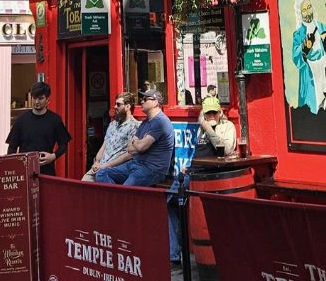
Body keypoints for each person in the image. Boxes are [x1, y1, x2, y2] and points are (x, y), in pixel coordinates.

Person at [168, 96, 237, 266]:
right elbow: (199, 154)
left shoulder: (226, 127)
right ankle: (174, 254)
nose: (211, 115)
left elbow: (227, 150)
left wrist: (208, 128)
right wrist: (187, 167)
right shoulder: (200, 128)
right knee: (169, 201)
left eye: (214, 112)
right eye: (208, 113)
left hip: (210, 177)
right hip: (193, 173)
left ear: (220, 112)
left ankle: (178, 253)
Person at [95, 89, 174, 186]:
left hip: (151, 169)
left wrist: (136, 143)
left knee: (126, 189)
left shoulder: (161, 122)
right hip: (135, 164)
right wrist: (137, 143)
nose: (141, 101)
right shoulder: (145, 122)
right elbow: (130, 149)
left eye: (145, 99)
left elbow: (141, 147)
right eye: (141, 99)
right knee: (102, 173)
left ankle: (118, 199)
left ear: (155, 103)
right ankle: (116, 199)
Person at [6, 81, 72, 176]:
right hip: (24, 172)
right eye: (34, 98)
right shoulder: (21, 120)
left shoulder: (55, 120)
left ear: (48, 99)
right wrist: (13, 169)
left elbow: (64, 145)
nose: (36, 102)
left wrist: (53, 156)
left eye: (40, 98)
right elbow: (12, 147)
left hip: (47, 172)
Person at [291, 0, 326, 114]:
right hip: (310, 74)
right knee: (314, 108)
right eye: (304, 10)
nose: (308, 12)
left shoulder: (321, 26)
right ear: (299, 14)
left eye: (309, 7)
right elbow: (296, 58)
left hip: (325, 69)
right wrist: (305, 48)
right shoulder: (298, 34)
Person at [82, 92, 140, 182]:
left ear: (128, 106)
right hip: (99, 166)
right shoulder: (112, 124)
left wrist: (104, 166)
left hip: (114, 169)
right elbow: (104, 145)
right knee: (84, 183)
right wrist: (97, 162)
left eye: (118, 104)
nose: (115, 106)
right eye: (115, 104)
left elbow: (130, 154)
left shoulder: (134, 126)